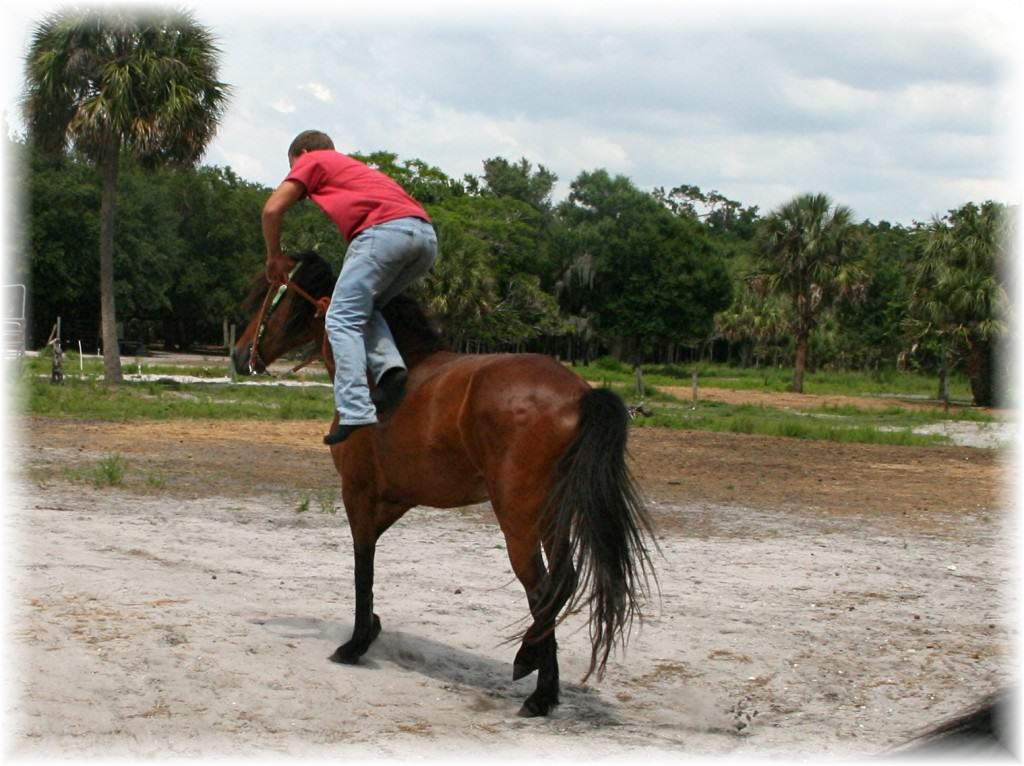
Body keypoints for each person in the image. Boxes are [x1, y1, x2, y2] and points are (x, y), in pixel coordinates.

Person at [262, 130, 438, 445]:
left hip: (382, 234)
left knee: (340, 317)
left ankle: (355, 409)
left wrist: (274, 256)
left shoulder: (312, 159)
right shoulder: (356, 170)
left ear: (302, 153)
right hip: (424, 236)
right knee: (364, 308)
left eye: (291, 168)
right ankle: (390, 371)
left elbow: (271, 209)